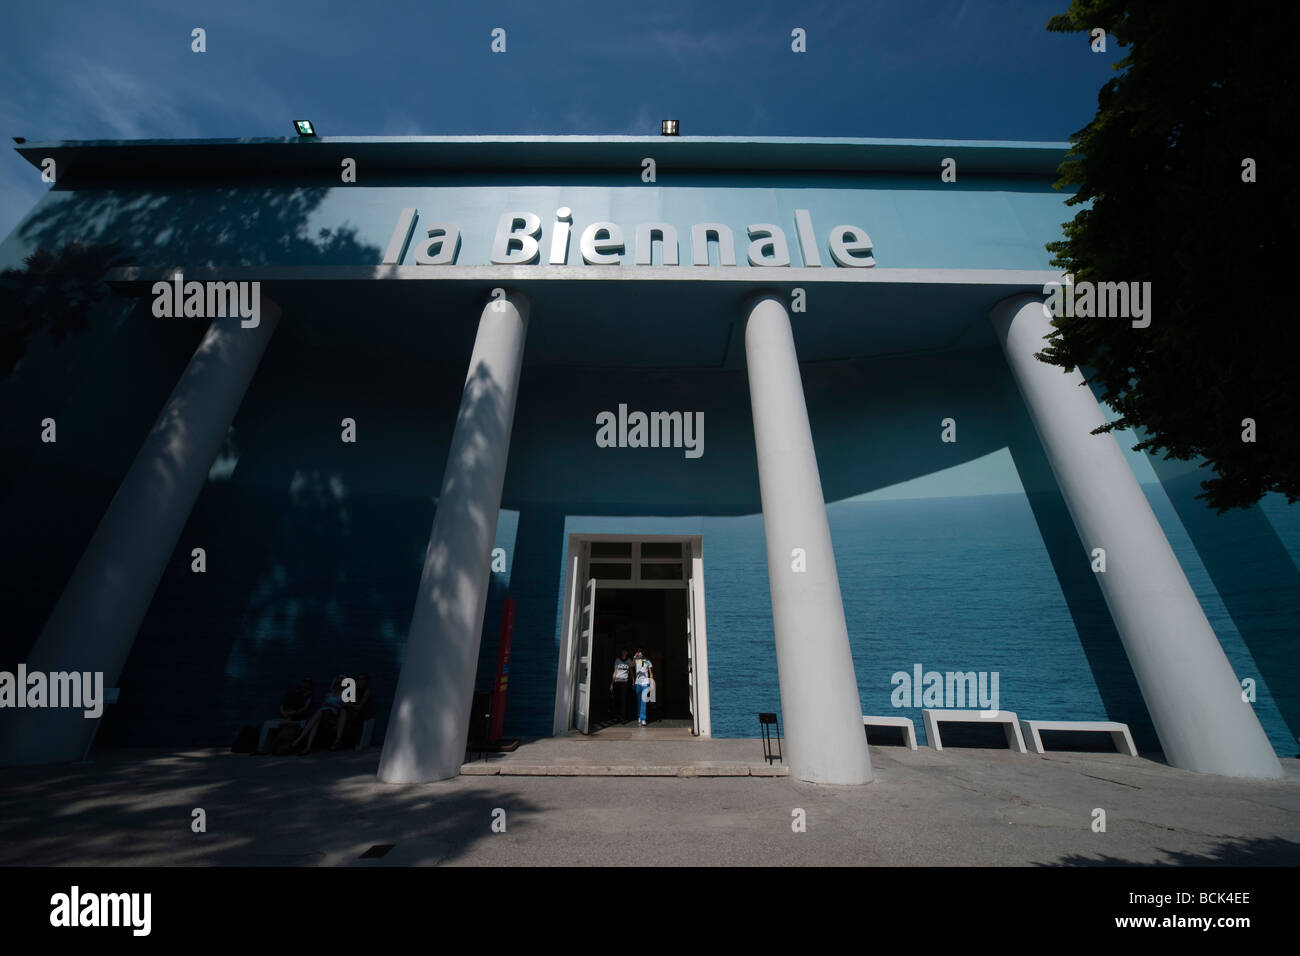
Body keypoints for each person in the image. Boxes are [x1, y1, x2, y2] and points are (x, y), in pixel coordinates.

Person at [292, 676, 344, 754]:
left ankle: (299, 739)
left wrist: (333, 705)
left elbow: (342, 708)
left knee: (319, 713)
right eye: (337, 683)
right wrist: (326, 704)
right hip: (323, 713)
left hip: (332, 715)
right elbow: (323, 705)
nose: (338, 685)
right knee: (316, 721)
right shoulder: (329, 694)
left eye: (340, 683)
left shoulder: (343, 695)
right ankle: (308, 747)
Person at [331, 673, 373, 751]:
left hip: (359, 714)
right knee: (341, 711)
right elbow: (335, 690)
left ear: (366, 681)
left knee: (343, 712)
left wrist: (348, 704)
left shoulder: (366, 691)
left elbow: (359, 707)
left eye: (362, 679)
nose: (359, 681)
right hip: (351, 711)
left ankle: (337, 740)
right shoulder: (354, 689)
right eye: (358, 679)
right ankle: (337, 740)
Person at [610, 649, 633, 723]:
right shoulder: (617, 660)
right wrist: (612, 683)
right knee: (616, 700)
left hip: (624, 682)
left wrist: (633, 680)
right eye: (623, 651)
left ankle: (623, 718)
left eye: (625, 651)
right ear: (621, 652)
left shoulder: (629, 660)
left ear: (627, 652)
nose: (624, 653)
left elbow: (631, 670)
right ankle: (616, 717)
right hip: (617, 682)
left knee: (623, 700)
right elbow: (615, 672)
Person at [632, 648, 654, 726]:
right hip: (638, 683)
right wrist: (634, 657)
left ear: (644, 653)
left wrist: (651, 682)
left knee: (643, 700)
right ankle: (639, 716)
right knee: (639, 700)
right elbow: (631, 665)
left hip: (645, 682)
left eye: (641, 652)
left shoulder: (648, 661)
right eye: (639, 652)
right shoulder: (636, 660)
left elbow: (650, 673)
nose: (640, 653)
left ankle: (643, 718)